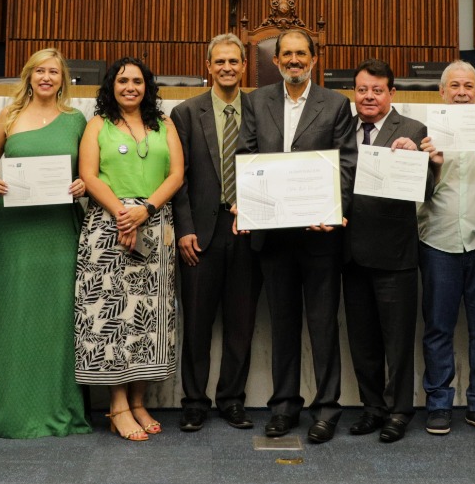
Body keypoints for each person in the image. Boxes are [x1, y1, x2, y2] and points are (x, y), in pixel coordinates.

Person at [237, 29, 357, 443]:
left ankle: (326, 409)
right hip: (273, 235)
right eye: (286, 54)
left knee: (323, 325)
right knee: (284, 325)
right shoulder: (256, 101)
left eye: (300, 53)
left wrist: (333, 209)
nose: (293, 60)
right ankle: (284, 406)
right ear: (276, 61)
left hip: (319, 236)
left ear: (313, 59)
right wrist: (247, 202)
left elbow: (345, 164)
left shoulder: (337, 104)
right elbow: (247, 156)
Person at [0, 48, 91, 439]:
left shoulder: (77, 120)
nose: (46, 78)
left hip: (58, 230)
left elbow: (90, 171)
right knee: (16, 315)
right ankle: (11, 411)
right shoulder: (8, 116)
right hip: (13, 232)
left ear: (63, 79)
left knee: (58, 319)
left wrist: (83, 184)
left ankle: (60, 408)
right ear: (29, 75)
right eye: (40, 71)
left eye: (53, 72)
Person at [75, 56, 186, 440]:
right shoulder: (97, 125)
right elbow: (88, 175)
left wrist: (145, 211)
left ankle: (138, 402)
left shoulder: (164, 124)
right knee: (111, 319)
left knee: (146, 318)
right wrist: (123, 213)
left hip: (155, 226)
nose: (130, 87)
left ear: (147, 87)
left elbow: (177, 174)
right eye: (122, 81)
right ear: (111, 86)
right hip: (107, 228)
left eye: (137, 81)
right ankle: (117, 406)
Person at [169, 34, 262, 433]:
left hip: (248, 228)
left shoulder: (262, 110)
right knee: (198, 322)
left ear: (245, 67)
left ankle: (232, 400)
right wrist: (184, 229)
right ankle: (194, 402)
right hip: (200, 232)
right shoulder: (186, 113)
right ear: (208, 67)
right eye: (219, 62)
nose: (227, 68)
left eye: (234, 62)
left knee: (241, 323)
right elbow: (179, 178)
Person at [342, 59, 430, 444]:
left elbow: (425, 190)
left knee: (396, 340)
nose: (369, 97)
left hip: (395, 255)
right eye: (362, 90)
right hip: (349, 252)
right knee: (362, 340)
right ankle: (372, 408)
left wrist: (415, 157)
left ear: (391, 93)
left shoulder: (412, 130)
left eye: (377, 90)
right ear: (354, 93)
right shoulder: (343, 128)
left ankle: (398, 411)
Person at [417, 60, 475, 438]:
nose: (462, 92)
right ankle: (438, 403)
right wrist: (432, 165)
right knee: (438, 327)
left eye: (469, 86)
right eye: (454, 86)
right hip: (437, 240)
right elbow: (413, 193)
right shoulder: (424, 134)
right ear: (441, 92)